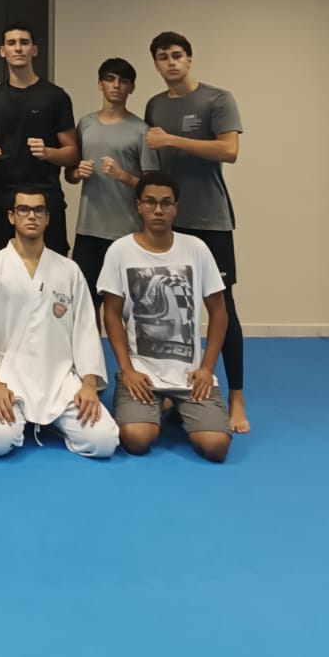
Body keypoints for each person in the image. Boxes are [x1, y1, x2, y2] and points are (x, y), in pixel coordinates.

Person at [143, 31, 248, 434]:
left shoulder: (217, 99)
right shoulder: (154, 104)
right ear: (155, 64)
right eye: (162, 57)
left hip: (210, 220)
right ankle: (172, 389)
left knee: (223, 307)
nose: (170, 62)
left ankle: (236, 397)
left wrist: (173, 139)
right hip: (169, 220)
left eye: (176, 55)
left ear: (189, 59)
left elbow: (229, 151)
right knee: (172, 310)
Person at [0, 189, 118, 459]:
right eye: (23, 209)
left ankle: (53, 421)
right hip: (8, 375)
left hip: (59, 376)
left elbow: (86, 330)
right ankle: (20, 417)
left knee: (104, 441)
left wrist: (88, 384)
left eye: (39, 210)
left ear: (48, 218)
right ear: (11, 217)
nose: (31, 216)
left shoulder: (68, 270)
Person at [98, 172, 232, 463]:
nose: (158, 210)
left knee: (216, 447)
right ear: (139, 206)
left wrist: (207, 368)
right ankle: (163, 405)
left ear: (176, 208)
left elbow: (219, 313)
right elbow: (111, 314)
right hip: (142, 374)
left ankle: (172, 404)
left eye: (165, 203)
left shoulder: (196, 249)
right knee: (136, 439)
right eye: (150, 202)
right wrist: (127, 370)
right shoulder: (120, 251)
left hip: (190, 376)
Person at [0, 23, 77, 259]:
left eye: (24, 42)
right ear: (3, 51)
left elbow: (73, 153)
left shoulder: (55, 96)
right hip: (3, 196)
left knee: (52, 265)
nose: (18, 48)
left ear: (34, 50)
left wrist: (48, 153)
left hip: (45, 195)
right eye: (11, 43)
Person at [66, 58, 157, 308]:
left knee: (128, 303)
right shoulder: (85, 124)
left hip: (127, 231)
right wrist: (77, 172)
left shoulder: (141, 130)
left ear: (131, 88)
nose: (116, 85)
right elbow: (69, 175)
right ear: (100, 84)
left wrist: (123, 176)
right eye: (110, 79)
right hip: (88, 229)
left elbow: (152, 189)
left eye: (123, 81)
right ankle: (93, 339)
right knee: (86, 303)